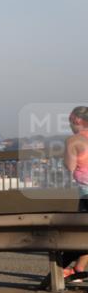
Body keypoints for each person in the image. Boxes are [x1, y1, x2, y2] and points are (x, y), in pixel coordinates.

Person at [60, 106, 88, 283]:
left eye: (69, 120)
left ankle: (62, 268)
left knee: (82, 234)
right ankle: (78, 269)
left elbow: (69, 167)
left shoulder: (74, 140)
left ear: (77, 120)